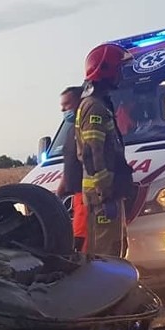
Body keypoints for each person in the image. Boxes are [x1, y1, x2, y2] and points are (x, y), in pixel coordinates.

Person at [74, 43, 136, 259]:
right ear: (106, 69)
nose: (121, 74)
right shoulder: (95, 107)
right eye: (119, 68)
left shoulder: (101, 104)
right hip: (103, 196)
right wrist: (104, 188)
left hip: (109, 192)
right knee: (104, 254)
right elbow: (92, 152)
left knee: (117, 249)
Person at [55, 86, 87, 251]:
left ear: (80, 101)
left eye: (66, 104)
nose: (63, 109)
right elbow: (70, 164)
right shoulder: (70, 131)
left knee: (81, 242)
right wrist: (58, 193)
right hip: (76, 197)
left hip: (87, 195)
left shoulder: (86, 127)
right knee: (78, 239)